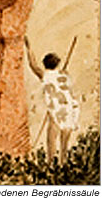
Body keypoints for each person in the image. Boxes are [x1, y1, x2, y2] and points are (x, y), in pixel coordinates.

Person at [24, 36, 80, 164]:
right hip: (70, 107)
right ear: (58, 63)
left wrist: (29, 48)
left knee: (52, 136)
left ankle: (51, 163)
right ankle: (63, 162)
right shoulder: (65, 74)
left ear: (45, 64)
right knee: (65, 137)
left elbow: (33, 65)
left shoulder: (45, 75)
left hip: (57, 108)